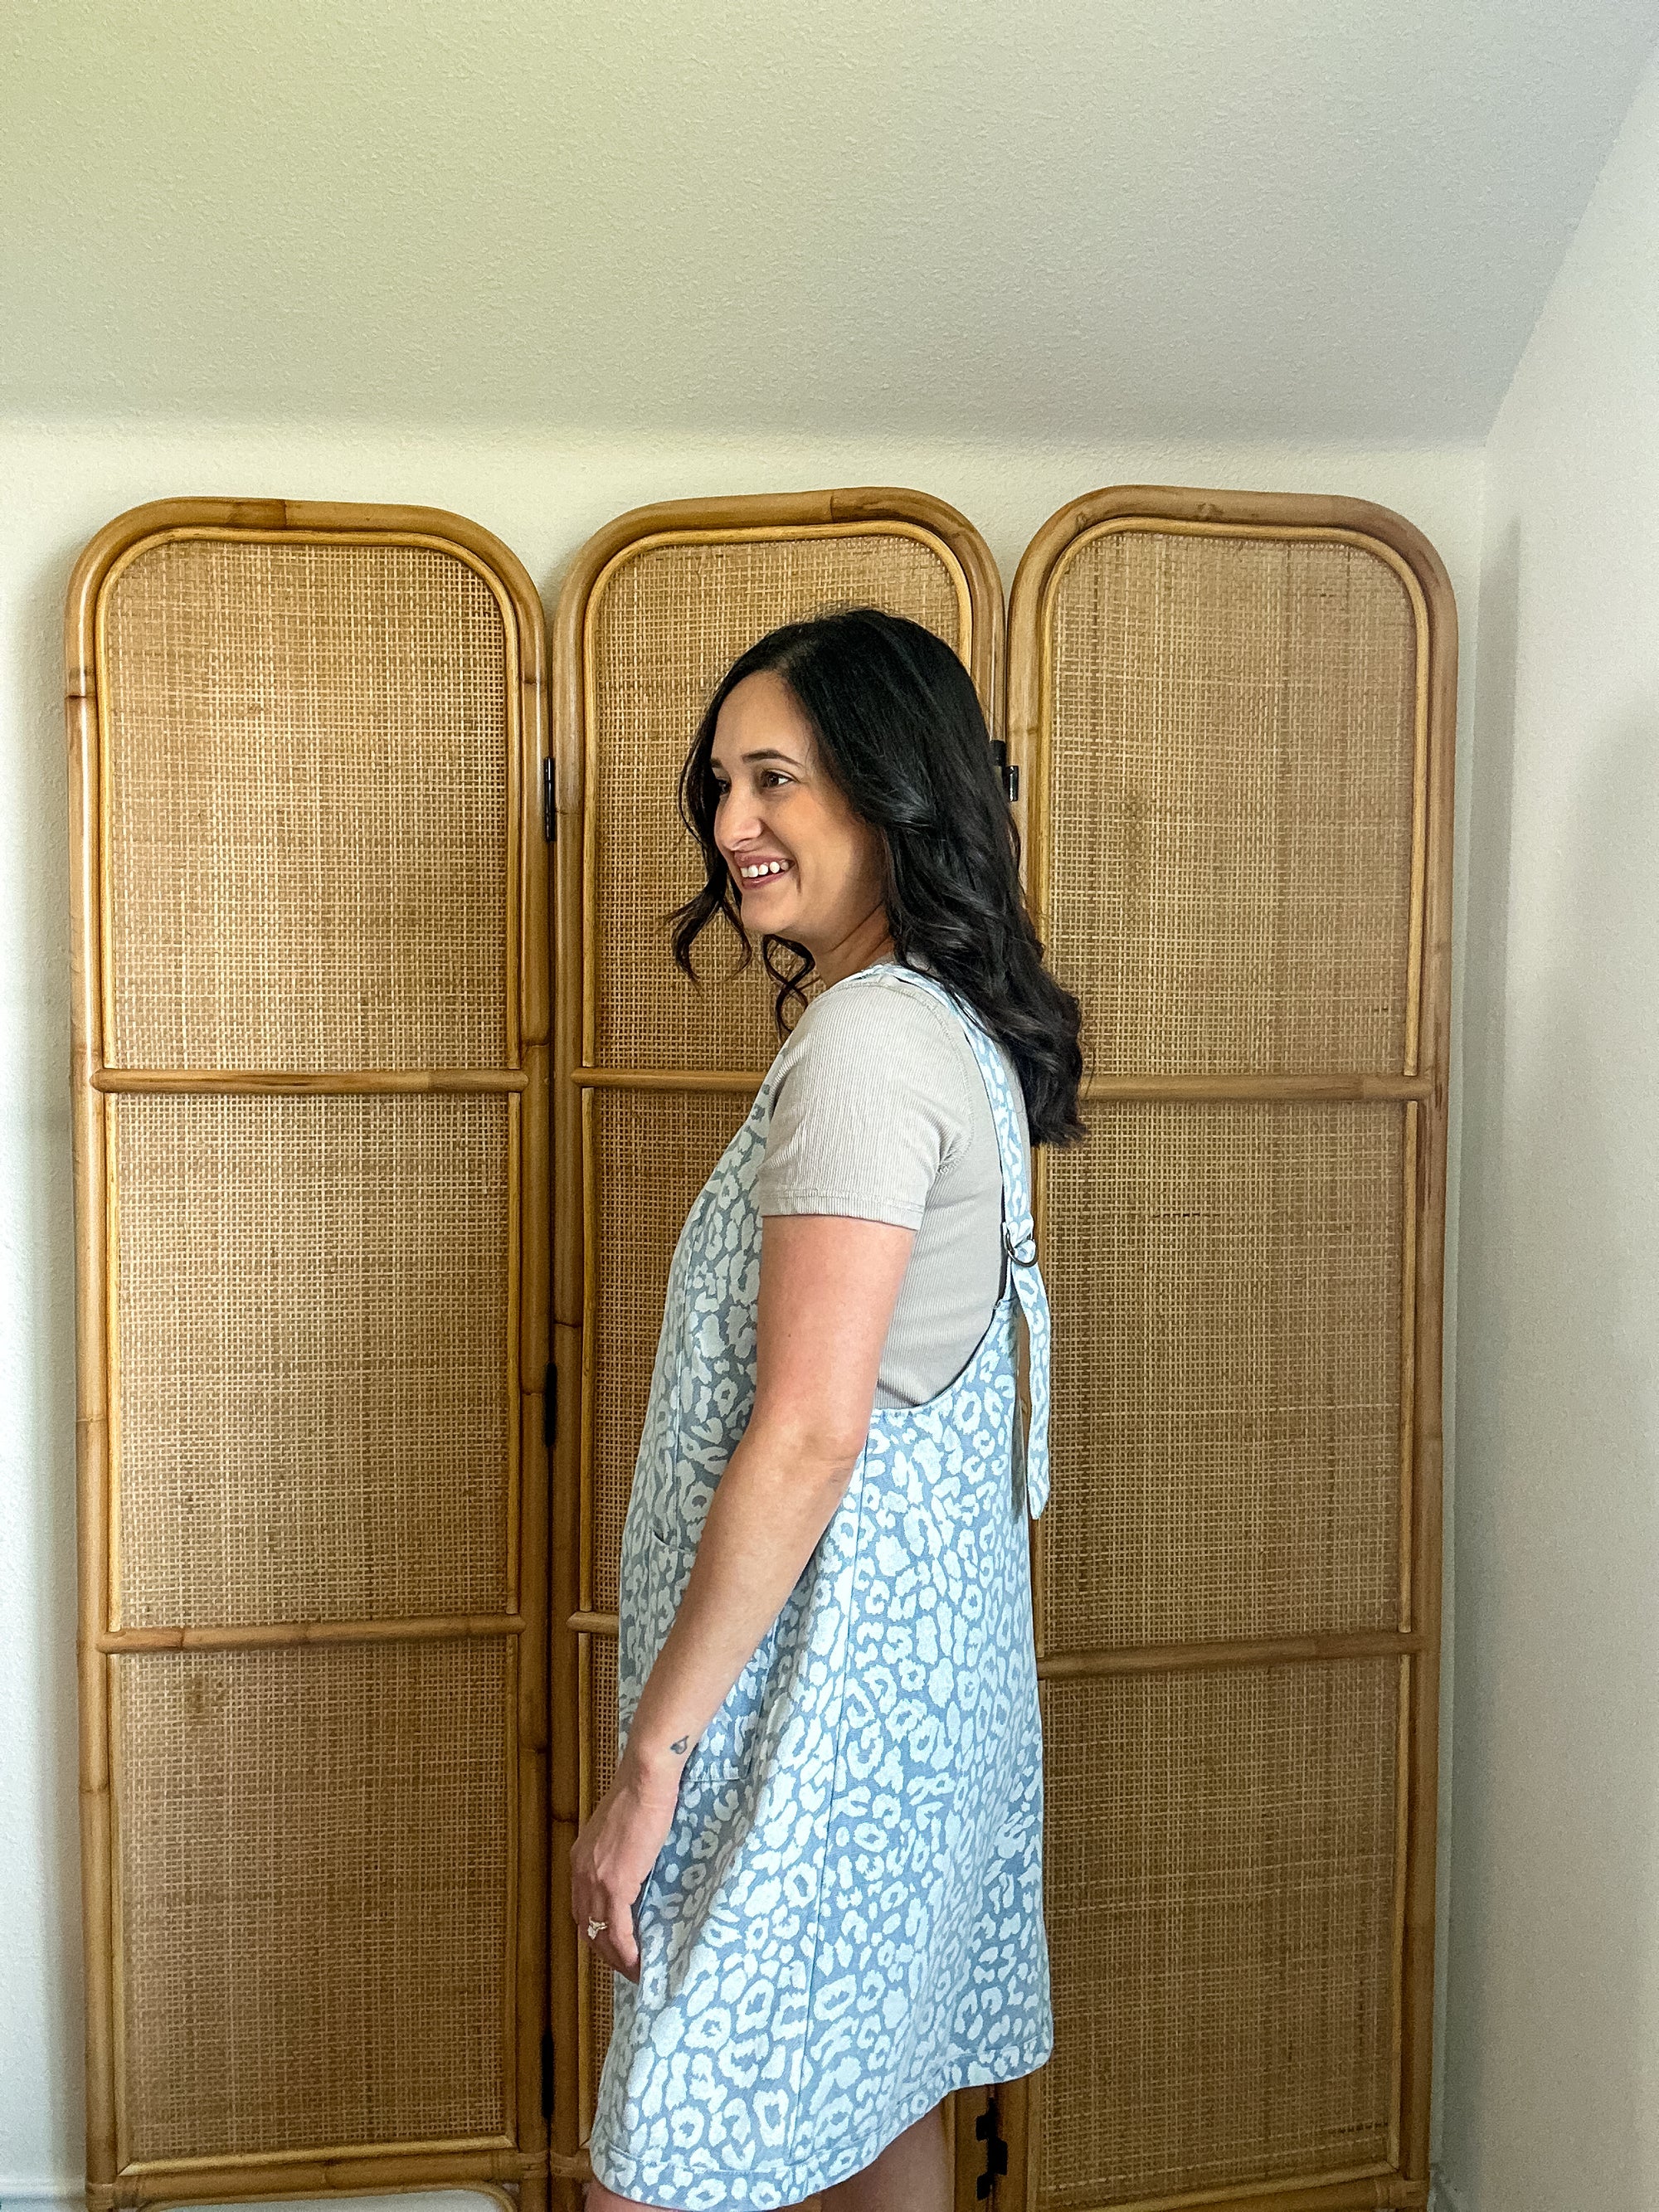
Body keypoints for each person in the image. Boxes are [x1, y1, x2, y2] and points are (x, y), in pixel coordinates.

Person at [571, 605, 1085, 2211]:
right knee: (876, 2108)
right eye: (720, 783)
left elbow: (809, 1430)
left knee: (664, 2151)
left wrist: (651, 1763)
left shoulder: (867, 1047)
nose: (733, 822)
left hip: (814, 1720)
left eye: (775, 778)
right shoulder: (943, 1024)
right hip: (914, 1710)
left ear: (889, 787)